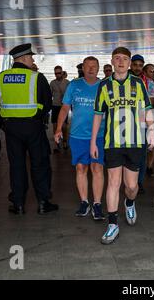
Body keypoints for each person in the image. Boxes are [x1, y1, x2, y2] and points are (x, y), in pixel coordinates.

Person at [90, 47, 154, 244]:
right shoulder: (103, 86)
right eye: (117, 58)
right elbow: (98, 115)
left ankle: (129, 202)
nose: (120, 62)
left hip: (135, 143)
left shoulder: (138, 83)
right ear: (112, 61)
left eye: (124, 59)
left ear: (129, 63)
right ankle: (112, 224)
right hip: (113, 143)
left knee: (131, 186)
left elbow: (146, 109)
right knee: (113, 182)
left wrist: (151, 131)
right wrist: (93, 141)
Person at [0, 43, 58, 215]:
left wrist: (5, 124)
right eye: (31, 57)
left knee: (17, 165)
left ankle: (18, 204)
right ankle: (43, 202)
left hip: (11, 128)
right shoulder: (36, 77)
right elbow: (47, 103)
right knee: (40, 163)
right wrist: (37, 118)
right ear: (24, 58)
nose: (32, 59)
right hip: (33, 126)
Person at [54, 57, 106, 219]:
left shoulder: (104, 86)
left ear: (99, 68)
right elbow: (64, 108)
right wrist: (58, 129)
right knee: (81, 168)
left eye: (94, 66)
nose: (91, 69)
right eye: (88, 66)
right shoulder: (74, 85)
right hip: (78, 135)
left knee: (97, 168)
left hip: (99, 136)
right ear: (82, 68)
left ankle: (97, 204)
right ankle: (84, 202)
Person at [129, 55, 154, 194]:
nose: (137, 68)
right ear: (130, 65)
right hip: (123, 123)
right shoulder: (122, 79)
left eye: (140, 65)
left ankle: (138, 183)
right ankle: (128, 182)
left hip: (142, 123)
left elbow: (150, 103)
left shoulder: (149, 82)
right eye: (135, 64)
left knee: (141, 155)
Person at [143, 63, 154, 178]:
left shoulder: (151, 82)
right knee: (151, 144)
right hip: (149, 115)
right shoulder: (150, 82)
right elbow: (152, 101)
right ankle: (148, 166)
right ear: (145, 72)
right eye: (151, 71)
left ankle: (147, 166)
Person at [50, 65, 69, 152]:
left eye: (59, 73)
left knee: (64, 126)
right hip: (55, 106)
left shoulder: (67, 82)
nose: (57, 74)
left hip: (64, 106)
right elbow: (50, 94)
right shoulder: (52, 83)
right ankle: (57, 144)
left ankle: (65, 142)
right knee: (54, 126)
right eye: (56, 73)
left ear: (62, 72)